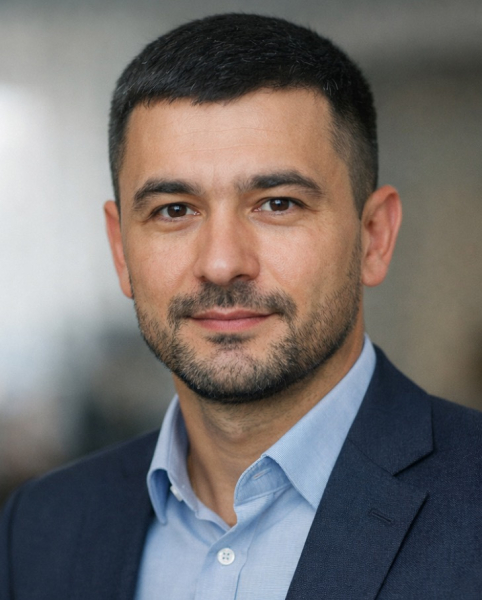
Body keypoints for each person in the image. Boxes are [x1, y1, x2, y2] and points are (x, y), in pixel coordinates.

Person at [1, 13, 481, 600]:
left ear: (374, 237)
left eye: (277, 204)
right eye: (174, 210)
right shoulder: (41, 528)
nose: (222, 263)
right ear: (121, 250)